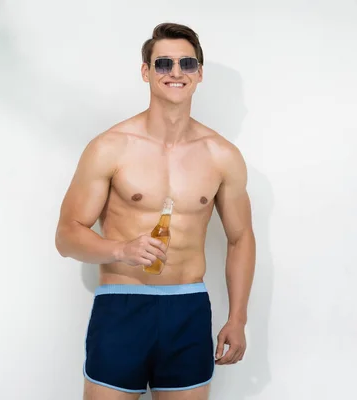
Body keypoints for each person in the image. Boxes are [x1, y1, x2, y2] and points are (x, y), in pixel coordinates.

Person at [54, 22, 256, 400]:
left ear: (199, 73)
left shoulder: (222, 156)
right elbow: (66, 236)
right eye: (163, 63)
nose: (175, 72)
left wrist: (238, 318)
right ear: (146, 71)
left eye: (187, 63)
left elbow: (240, 238)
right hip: (121, 306)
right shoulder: (110, 147)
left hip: (189, 310)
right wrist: (120, 250)